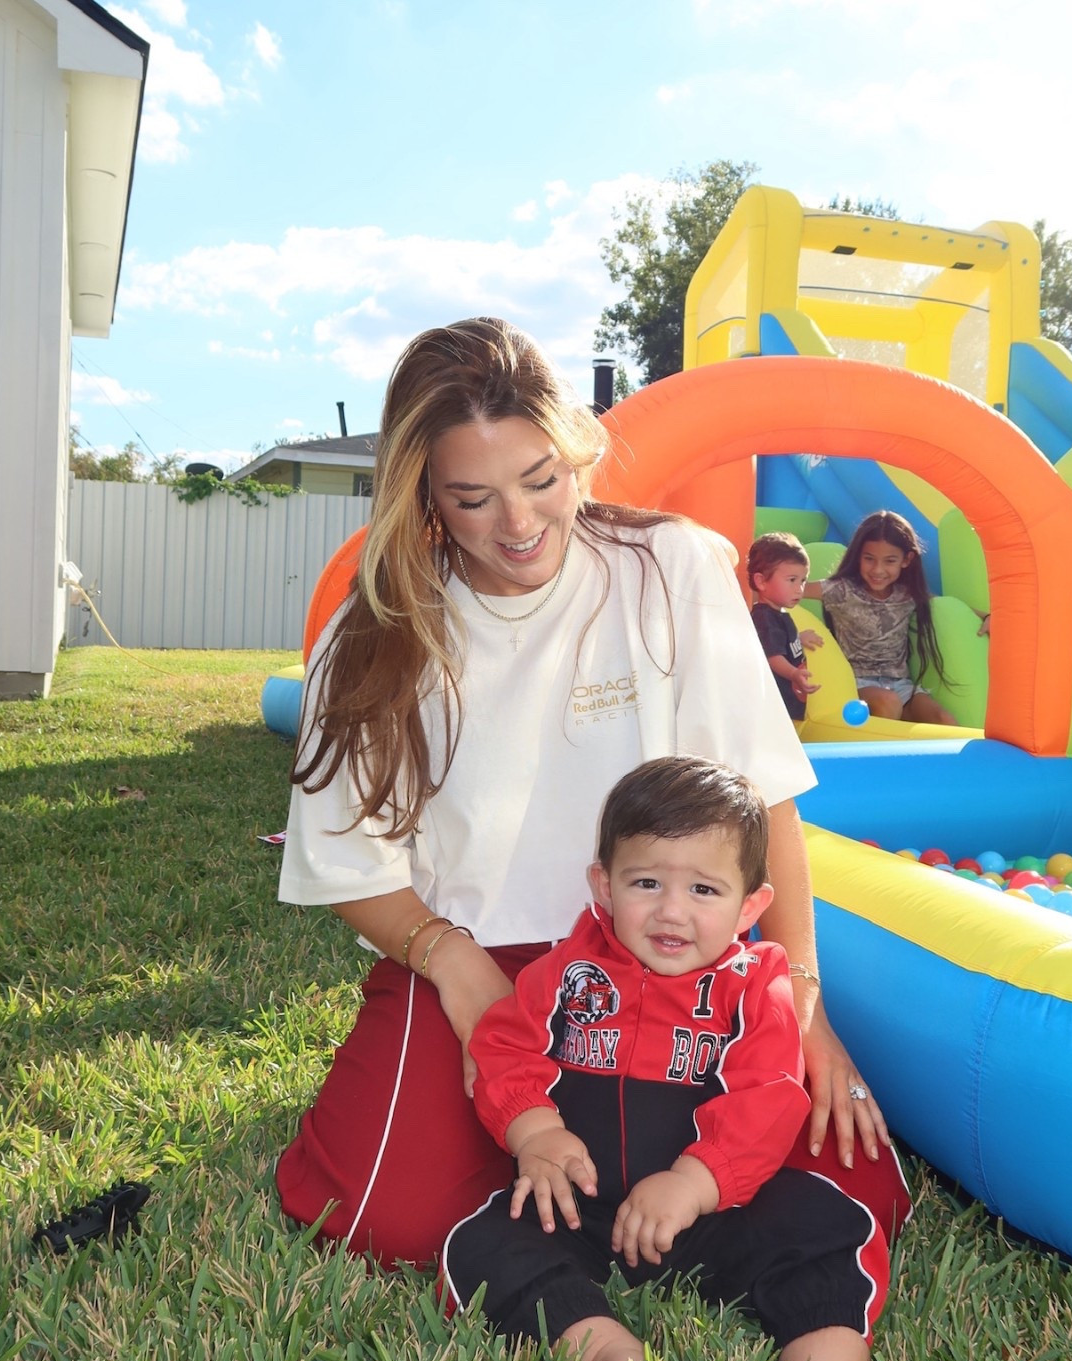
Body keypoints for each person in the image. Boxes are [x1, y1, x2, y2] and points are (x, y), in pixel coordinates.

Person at [275, 317, 909, 1269]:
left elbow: (763, 798)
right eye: (474, 498)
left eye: (541, 480)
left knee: (847, 1182)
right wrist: (456, 972)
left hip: (677, 954)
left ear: (576, 453)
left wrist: (801, 1004)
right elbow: (344, 863)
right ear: (426, 499)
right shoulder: (374, 635)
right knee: (387, 1218)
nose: (520, 525)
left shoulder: (673, 567)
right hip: (480, 957)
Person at [443, 757, 895, 1361]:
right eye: (645, 882)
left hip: (716, 1217)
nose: (671, 910)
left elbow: (767, 1099)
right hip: (581, 1208)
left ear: (750, 906)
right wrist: (535, 1130)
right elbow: (502, 1047)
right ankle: (604, 1351)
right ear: (604, 886)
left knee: (828, 1226)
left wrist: (694, 1181)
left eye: (704, 889)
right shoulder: (566, 973)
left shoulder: (757, 988)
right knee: (481, 1238)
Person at [815, 511, 955, 725]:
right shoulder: (841, 590)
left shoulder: (907, 593)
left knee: (944, 720)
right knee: (888, 702)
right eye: (869, 559)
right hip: (855, 684)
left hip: (901, 686)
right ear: (858, 556)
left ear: (906, 560)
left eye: (889, 561)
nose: (878, 570)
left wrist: (991, 618)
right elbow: (790, 591)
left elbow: (953, 608)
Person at [747, 532, 824, 722]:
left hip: (787, 704)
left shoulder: (776, 614)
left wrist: (798, 639)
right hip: (776, 706)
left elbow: (779, 642)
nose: (799, 588)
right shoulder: (764, 617)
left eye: (803, 580)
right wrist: (794, 673)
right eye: (792, 580)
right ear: (761, 581)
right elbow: (773, 657)